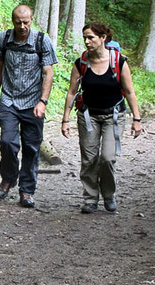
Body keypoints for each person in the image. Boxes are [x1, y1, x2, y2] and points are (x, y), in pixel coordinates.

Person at [60, 22, 142, 213]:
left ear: (103, 38)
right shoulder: (81, 63)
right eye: (85, 38)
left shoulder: (119, 61)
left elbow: (129, 92)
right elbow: (72, 92)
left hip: (113, 116)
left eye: (91, 37)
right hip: (88, 115)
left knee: (107, 157)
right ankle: (90, 198)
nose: (87, 42)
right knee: (88, 159)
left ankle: (109, 194)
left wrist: (136, 119)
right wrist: (65, 120)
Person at [0, 4, 58, 208]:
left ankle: (27, 191)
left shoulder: (41, 40)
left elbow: (48, 73)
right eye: (18, 22)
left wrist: (43, 102)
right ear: (13, 21)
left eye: (26, 22)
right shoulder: (3, 39)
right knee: (7, 143)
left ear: (31, 21)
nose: (22, 26)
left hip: (33, 103)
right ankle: (9, 178)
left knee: (31, 147)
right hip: (9, 100)